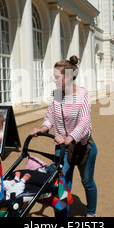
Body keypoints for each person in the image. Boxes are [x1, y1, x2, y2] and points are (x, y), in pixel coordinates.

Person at [29, 55, 97, 217]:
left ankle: (91, 212)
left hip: (82, 146)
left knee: (87, 182)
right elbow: (50, 116)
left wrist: (69, 138)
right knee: (62, 185)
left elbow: (84, 122)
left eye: (56, 77)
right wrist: (43, 129)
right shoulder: (57, 94)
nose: (54, 80)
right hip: (61, 148)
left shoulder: (83, 95)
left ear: (67, 77)